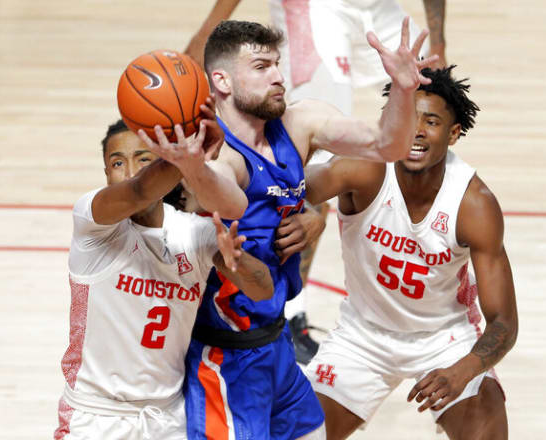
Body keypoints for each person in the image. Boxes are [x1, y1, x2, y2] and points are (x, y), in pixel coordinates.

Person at [181, 17, 438, 440]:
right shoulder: (215, 151)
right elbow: (230, 198)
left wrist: (405, 92)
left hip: (274, 343)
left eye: (278, 64)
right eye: (262, 67)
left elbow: (386, 145)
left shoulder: (301, 123)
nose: (280, 77)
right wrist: (193, 170)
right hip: (224, 357)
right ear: (222, 81)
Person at [288, 66, 518, 439]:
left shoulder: (474, 204)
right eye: (408, 118)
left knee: (489, 427)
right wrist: (311, 212)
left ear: (454, 133)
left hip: (444, 339)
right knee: (294, 433)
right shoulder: (364, 168)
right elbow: (289, 190)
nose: (417, 130)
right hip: (361, 337)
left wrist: (463, 369)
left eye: (431, 121)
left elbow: (504, 323)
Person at [54, 102, 276, 439]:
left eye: (143, 159)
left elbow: (263, 290)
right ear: (106, 176)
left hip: (168, 417)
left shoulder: (194, 234)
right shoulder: (92, 224)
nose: (129, 171)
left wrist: (238, 262)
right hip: (95, 416)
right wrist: (192, 150)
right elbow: (139, 189)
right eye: (117, 163)